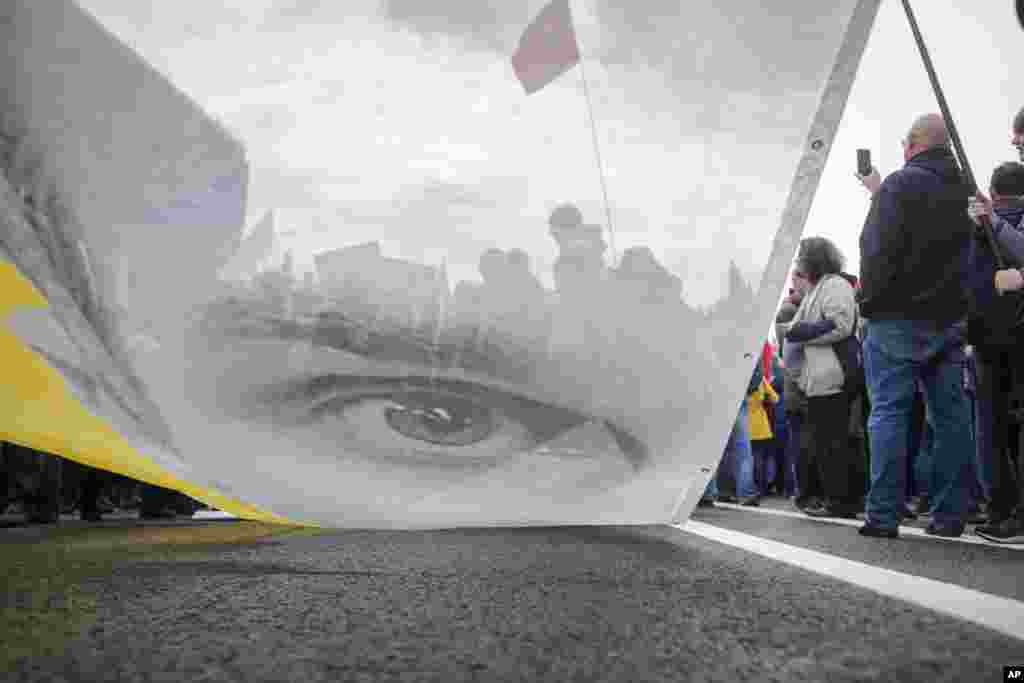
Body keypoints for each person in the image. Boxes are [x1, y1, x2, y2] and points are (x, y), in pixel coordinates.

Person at [856, 113, 974, 539]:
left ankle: (884, 515)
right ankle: (949, 516)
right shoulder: (964, 189)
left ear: (913, 144)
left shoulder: (900, 185)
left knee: (889, 412)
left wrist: (869, 303)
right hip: (949, 318)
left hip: (896, 317)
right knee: (951, 418)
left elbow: (876, 248)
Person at [782, 237, 861, 519]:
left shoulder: (835, 285)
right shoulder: (818, 288)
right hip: (818, 377)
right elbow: (794, 327)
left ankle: (842, 502)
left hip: (834, 373)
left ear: (813, 259)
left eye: (801, 257)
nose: (798, 263)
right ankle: (837, 499)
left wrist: (802, 333)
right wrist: (798, 330)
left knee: (834, 442)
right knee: (827, 442)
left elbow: (840, 325)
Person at [747, 363, 780, 500]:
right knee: (760, 459)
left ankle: (749, 488)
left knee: (747, 460)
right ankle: (761, 489)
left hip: (746, 424)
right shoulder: (761, 380)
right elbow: (775, 398)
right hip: (762, 426)